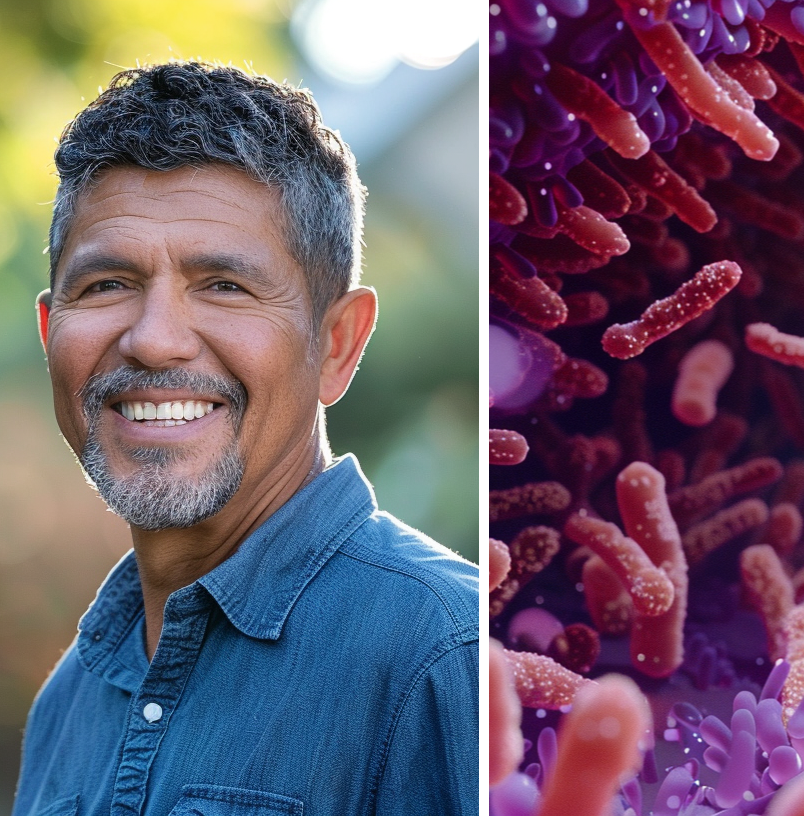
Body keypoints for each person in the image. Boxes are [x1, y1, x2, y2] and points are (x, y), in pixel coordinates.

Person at [11, 62, 478, 816]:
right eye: (106, 285)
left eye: (224, 285)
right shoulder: (71, 698)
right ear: (49, 332)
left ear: (337, 345)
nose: (154, 340)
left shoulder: (447, 659)